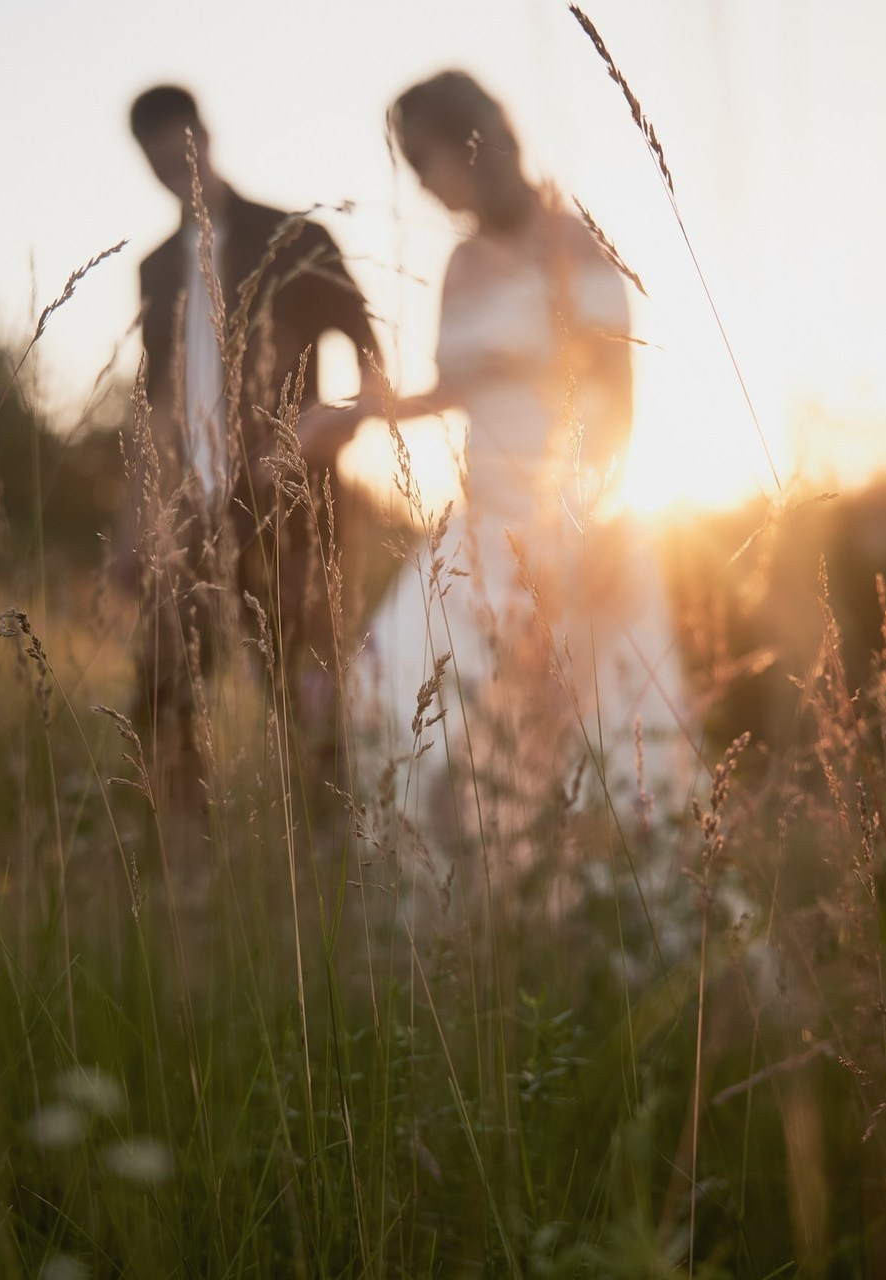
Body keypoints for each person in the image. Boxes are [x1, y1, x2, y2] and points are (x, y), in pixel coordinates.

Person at [299, 71, 693, 881]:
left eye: (423, 159)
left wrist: (580, 533)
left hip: (573, 532)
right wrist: (359, 414)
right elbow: (457, 387)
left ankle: (595, 943)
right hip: (473, 536)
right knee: (389, 702)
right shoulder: (462, 262)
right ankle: (464, 931)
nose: (422, 185)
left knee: (585, 748)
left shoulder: (574, 245)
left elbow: (615, 406)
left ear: (473, 142)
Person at [126, 84, 385, 781]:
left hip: (290, 505)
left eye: (176, 149)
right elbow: (152, 402)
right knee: (162, 688)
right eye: (153, 159)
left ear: (204, 136)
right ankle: (180, 857)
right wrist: (140, 517)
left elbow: (371, 360)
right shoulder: (152, 270)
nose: (169, 168)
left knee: (301, 690)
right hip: (189, 508)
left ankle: (330, 848)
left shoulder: (294, 234)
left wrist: (324, 433)